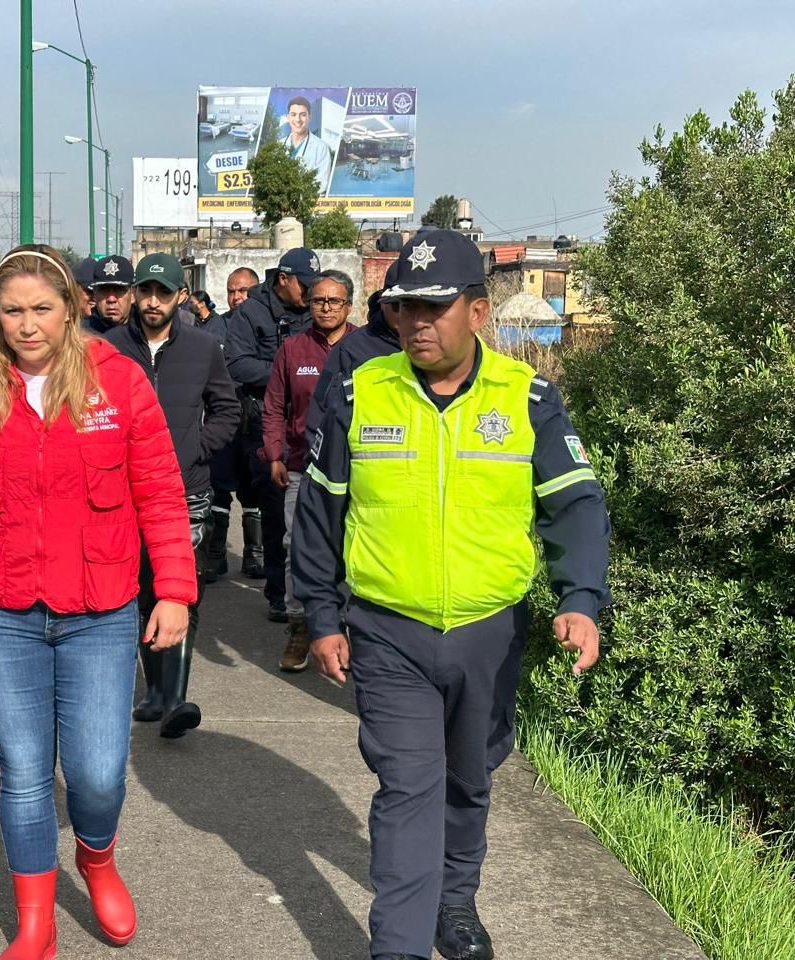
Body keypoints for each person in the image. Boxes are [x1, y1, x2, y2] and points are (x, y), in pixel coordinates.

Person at [292, 230, 612, 960]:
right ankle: (399, 945)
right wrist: (321, 614)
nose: (417, 323)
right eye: (404, 307)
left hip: (488, 633)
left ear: (477, 311)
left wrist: (580, 599)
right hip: (388, 631)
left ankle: (456, 900)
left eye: (433, 307)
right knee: (408, 789)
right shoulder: (360, 393)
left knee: (469, 779)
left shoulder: (528, 398)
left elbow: (575, 504)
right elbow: (321, 511)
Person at [0, 244, 196, 958]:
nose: (27, 325)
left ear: (71, 309)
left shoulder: (118, 383)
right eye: (11, 311)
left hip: (99, 612)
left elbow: (159, 491)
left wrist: (175, 590)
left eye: (42, 309)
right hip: (5, 616)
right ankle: (35, 920)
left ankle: (96, 859)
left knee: (96, 774)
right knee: (25, 776)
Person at [106, 254, 239, 737]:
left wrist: (194, 450)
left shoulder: (204, 347)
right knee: (142, 590)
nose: (153, 301)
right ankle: (156, 692)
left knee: (182, 588)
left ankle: (175, 699)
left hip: (187, 490)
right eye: (146, 291)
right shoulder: (109, 348)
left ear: (181, 295)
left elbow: (227, 410)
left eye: (163, 292)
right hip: (124, 492)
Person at [263, 269, 356, 672]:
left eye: (334, 301)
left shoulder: (366, 348)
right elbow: (274, 405)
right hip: (303, 466)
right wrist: (275, 454)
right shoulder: (293, 349)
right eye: (318, 300)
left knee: (350, 548)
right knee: (295, 546)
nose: (326, 308)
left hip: (356, 469)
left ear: (348, 305)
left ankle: (347, 626)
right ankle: (300, 624)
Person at [225, 247, 320, 621]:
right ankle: (279, 594)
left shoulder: (314, 311)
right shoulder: (251, 313)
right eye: (305, 287)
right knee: (277, 515)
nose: (311, 295)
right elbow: (237, 364)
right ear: (284, 280)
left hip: (311, 425)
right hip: (265, 422)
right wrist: (288, 372)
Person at [206, 267, 262, 582]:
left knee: (253, 490)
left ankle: (255, 554)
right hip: (220, 419)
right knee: (218, 488)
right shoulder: (217, 327)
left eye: (243, 290)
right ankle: (215, 555)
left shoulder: (263, 325)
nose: (237, 297)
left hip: (253, 418)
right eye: (231, 291)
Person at [280, 96, 334, 189]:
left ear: (309, 117)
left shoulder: (321, 148)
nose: (298, 119)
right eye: (293, 114)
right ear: (288, 117)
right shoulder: (278, 146)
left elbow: (322, 184)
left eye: (303, 115)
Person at [84, 254, 133, 336]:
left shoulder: (145, 333)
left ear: (132, 295)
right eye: (104, 290)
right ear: (94, 294)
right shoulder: (79, 335)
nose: (111, 299)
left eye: (119, 289)